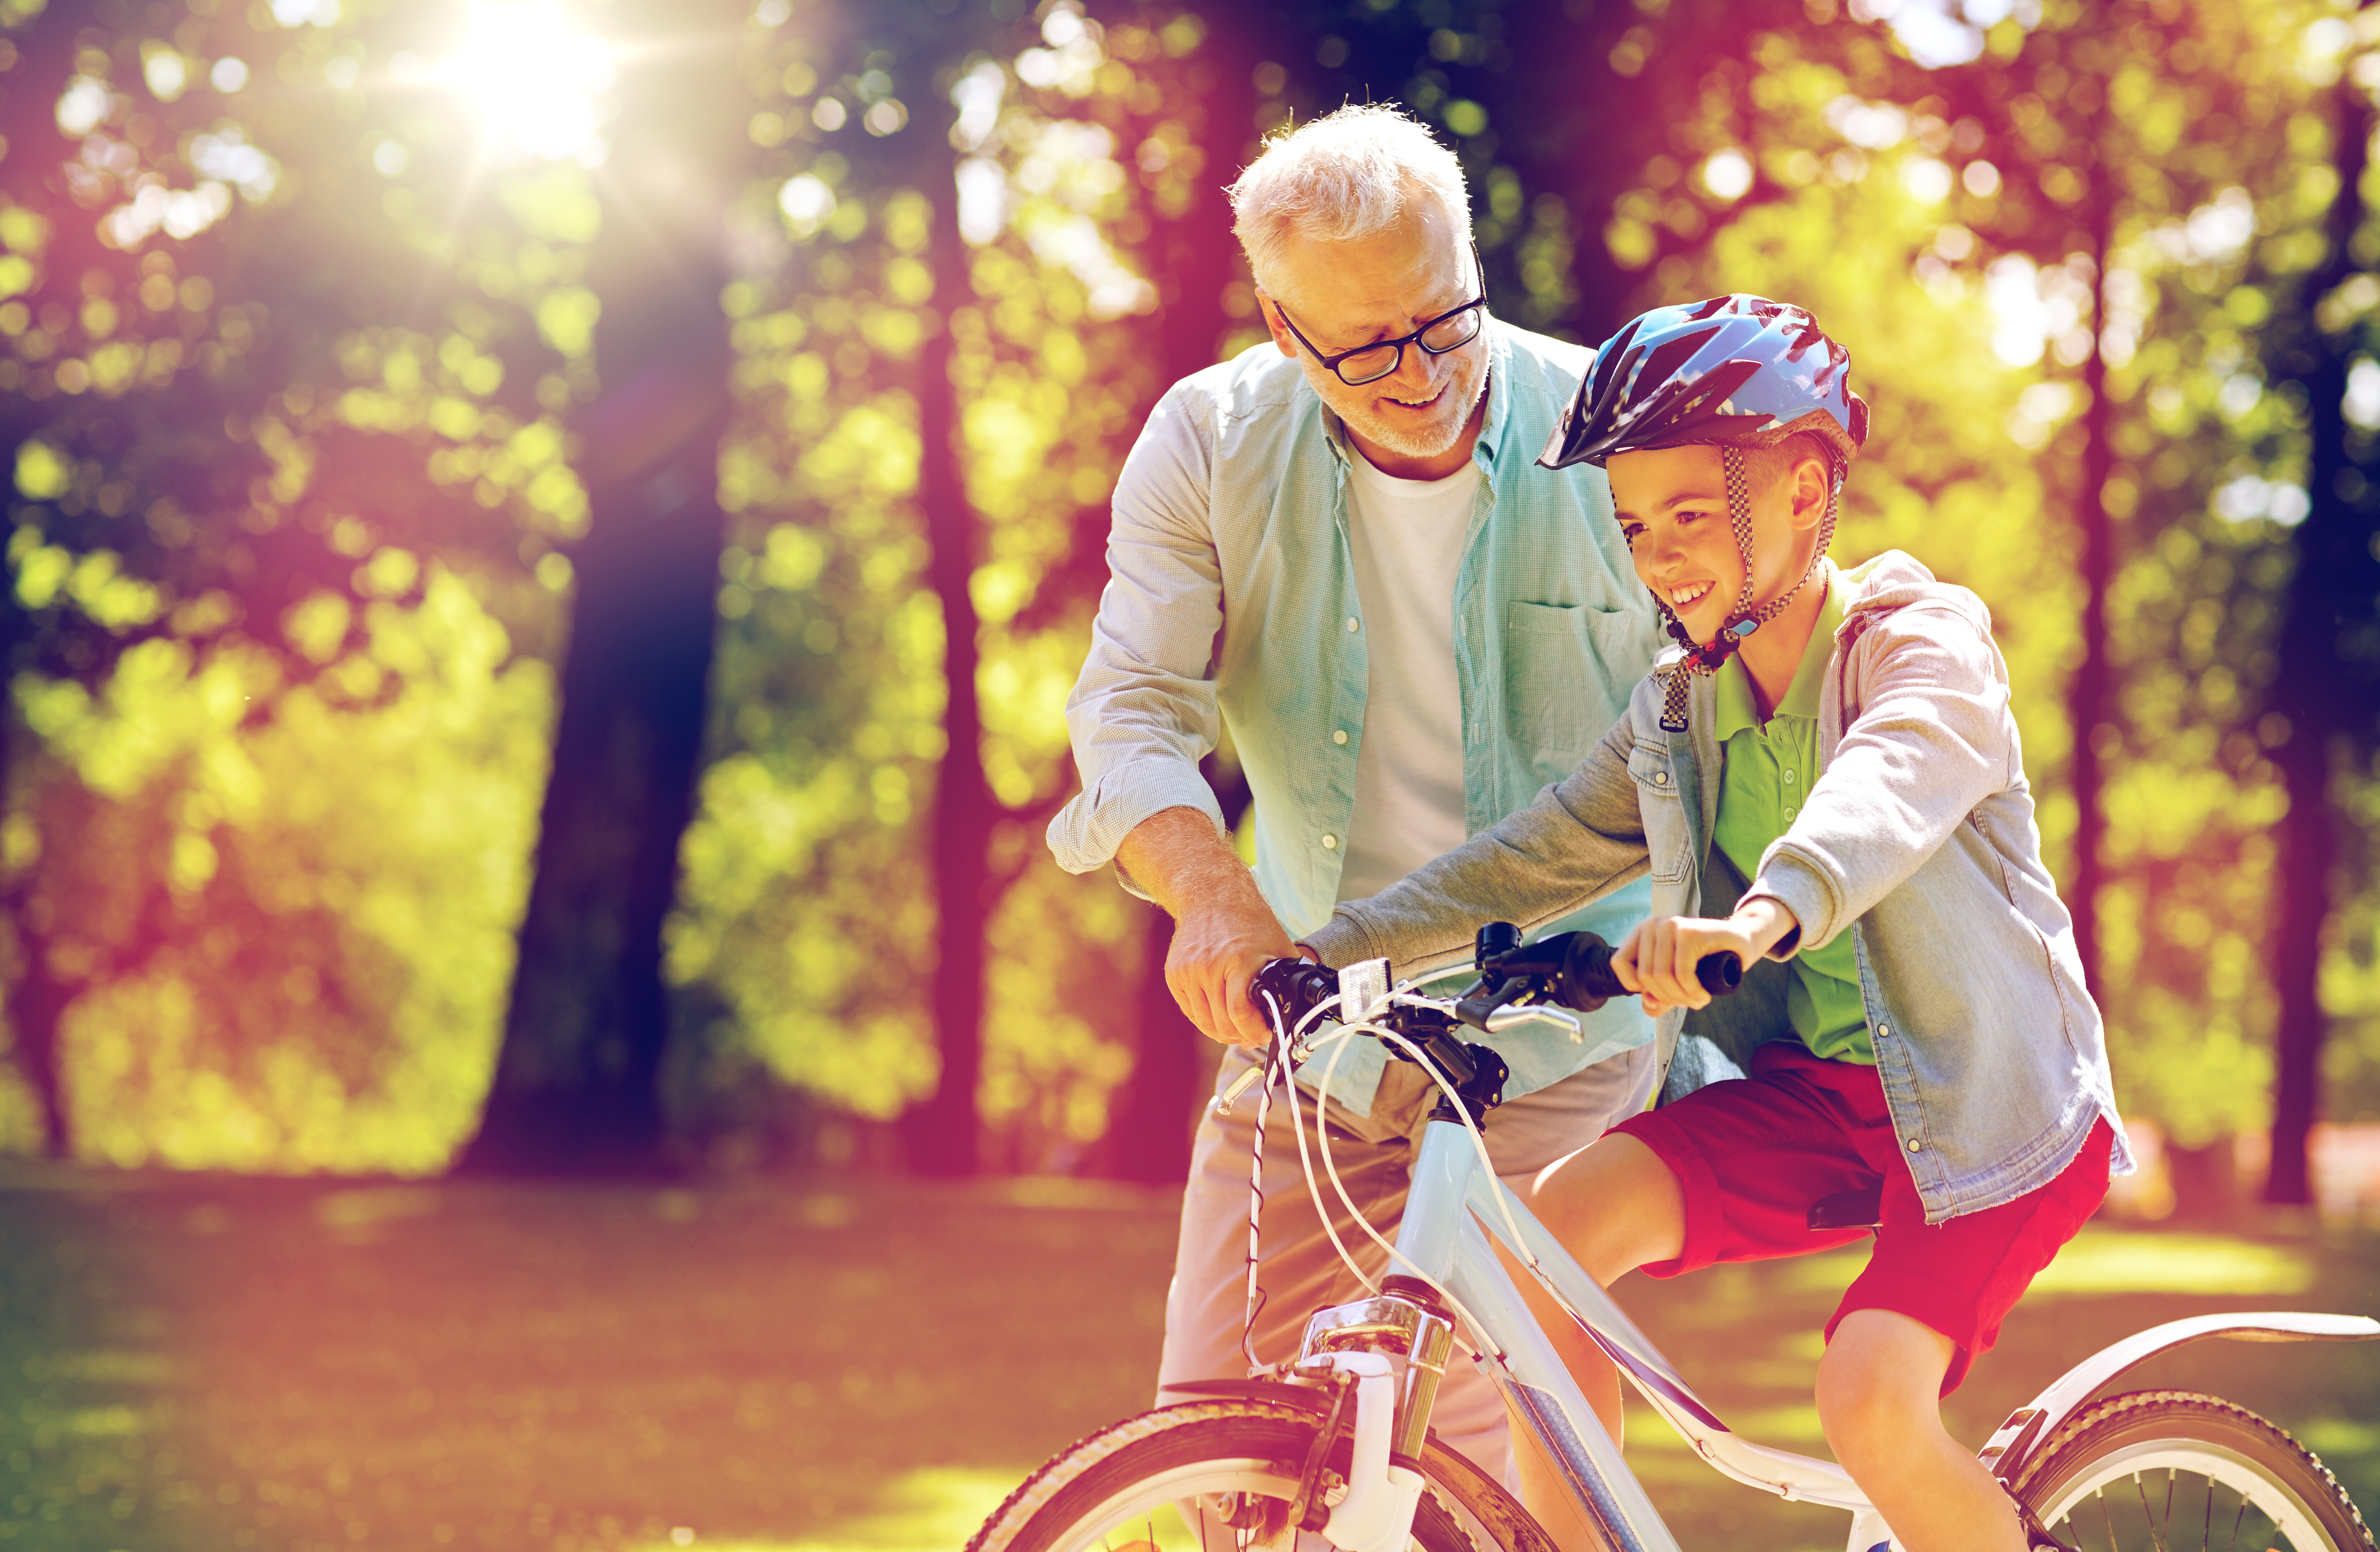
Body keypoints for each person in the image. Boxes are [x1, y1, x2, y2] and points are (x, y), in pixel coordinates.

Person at [1299, 295, 2134, 1552]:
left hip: (1990, 1107)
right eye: (1635, 526)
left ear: (1805, 491)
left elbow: (1883, 792)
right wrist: (1328, 946)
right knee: (1545, 1247)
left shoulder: (1921, 645)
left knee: (1869, 1400)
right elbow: (1534, 853)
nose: (1658, 558)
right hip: (1822, 1100)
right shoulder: (1680, 710)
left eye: (1689, 515)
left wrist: (1758, 915)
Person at [1046, 104, 1665, 1487]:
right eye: (1366, 347)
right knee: (1210, 1452)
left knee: (1472, 1465)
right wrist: (1211, 895)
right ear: (1282, 324)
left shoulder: (1614, 438)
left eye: (1443, 321)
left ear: (1470, 263)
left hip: (1563, 1024)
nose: (1421, 373)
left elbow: (1740, 695)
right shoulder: (1209, 444)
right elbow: (1134, 701)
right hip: (1317, 1008)